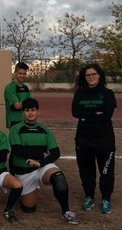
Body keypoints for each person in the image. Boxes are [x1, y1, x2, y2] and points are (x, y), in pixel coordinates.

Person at [10, 98, 80, 225]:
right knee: (29, 209)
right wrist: (40, 154)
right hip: (24, 173)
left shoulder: (45, 130)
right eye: (27, 110)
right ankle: (23, 195)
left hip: (41, 168)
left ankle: (66, 211)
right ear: (23, 113)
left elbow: (56, 153)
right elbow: (17, 150)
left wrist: (40, 163)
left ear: (38, 112)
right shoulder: (16, 129)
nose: (30, 113)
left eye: (33, 110)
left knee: (59, 178)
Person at [72, 63, 117, 214]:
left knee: (106, 170)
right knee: (86, 170)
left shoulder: (108, 93)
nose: (90, 77)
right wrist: (94, 114)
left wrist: (86, 116)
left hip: (104, 140)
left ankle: (106, 199)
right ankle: (89, 196)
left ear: (99, 75)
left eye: (93, 74)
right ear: (84, 77)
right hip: (84, 139)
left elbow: (106, 115)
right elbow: (75, 112)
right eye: (87, 75)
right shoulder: (80, 93)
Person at [4, 62, 31, 129]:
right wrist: (28, 103)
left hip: (25, 121)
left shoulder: (25, 87)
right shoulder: (10, 87)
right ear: (15, 73)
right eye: (20, 73)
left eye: (24, 74)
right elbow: (17, 106)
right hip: (14, 122)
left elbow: (31, 105)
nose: (22, 76)